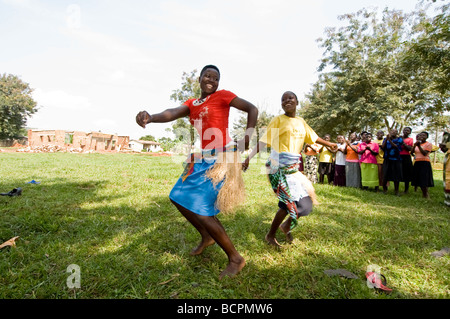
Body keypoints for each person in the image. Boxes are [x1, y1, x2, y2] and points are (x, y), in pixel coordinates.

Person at [135, 65, 258, 280]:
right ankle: (206, 235)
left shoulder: (223, 96)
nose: (211, 80)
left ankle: (235, 258)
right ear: (199, 79)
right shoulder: (192, 103)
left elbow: (252, 108)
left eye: (216, 78)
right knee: (177, 197)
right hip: (202, 157)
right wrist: (150, 117)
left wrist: (247, 137)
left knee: (202, 210)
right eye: (207, 76)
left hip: (222, 158)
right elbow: (171, 113)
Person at [243, 91, 337, 247]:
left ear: (297, 102)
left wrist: (330, 144)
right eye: (283, 99)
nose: (287, 101)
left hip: (293, 169)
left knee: (306, 206)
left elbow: (313, 137)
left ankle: (285, 226)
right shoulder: (278, 120)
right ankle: (270, 235)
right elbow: (263, 142)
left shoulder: (301, 122)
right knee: (288, 202)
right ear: (281, 104)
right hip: (277, 167)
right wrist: (248, 158)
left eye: (290, 98)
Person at [411, 132, 434, 198]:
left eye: (424, 135)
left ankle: (426, 194)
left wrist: (418, 146)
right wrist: (415, 145)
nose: (422, 136)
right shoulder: (417, 144)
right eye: (420, 135)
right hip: (417, 162)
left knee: (424, 178)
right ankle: (422, 192)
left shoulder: (428, 144)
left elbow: (424, 153)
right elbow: (412, 152)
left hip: (425, 162)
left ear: (427, 137)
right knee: (419, 178)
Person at [381, 128, 403, 195]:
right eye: (392, 131)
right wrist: (386, 140)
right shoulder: (386, 139)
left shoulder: (399, 139)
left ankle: (396, 191)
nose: (393, 132)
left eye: (395, 131)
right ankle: (384, 190)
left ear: (397, 133)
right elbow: (382, 147)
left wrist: (389, 140)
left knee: (396, 175)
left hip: (396, 159)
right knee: (385, 175)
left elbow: (396, 147)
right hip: (387, 159)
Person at [400, 127, 414, 194]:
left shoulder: (410, 139)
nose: (406, 131)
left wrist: (403, 142)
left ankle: (406, 190)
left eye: (408, 130)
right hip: (398, 157)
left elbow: (409, 149)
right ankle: (396, 189)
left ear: (410, 132)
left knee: (407, 173)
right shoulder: (399, 138)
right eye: (405, 130)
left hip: (406, 157)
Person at [439, 131, 450, 206]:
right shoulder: (447, 135)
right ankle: (448, 201)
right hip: (449, 158)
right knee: (448, 178)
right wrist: (442, 146)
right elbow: (444, 150)